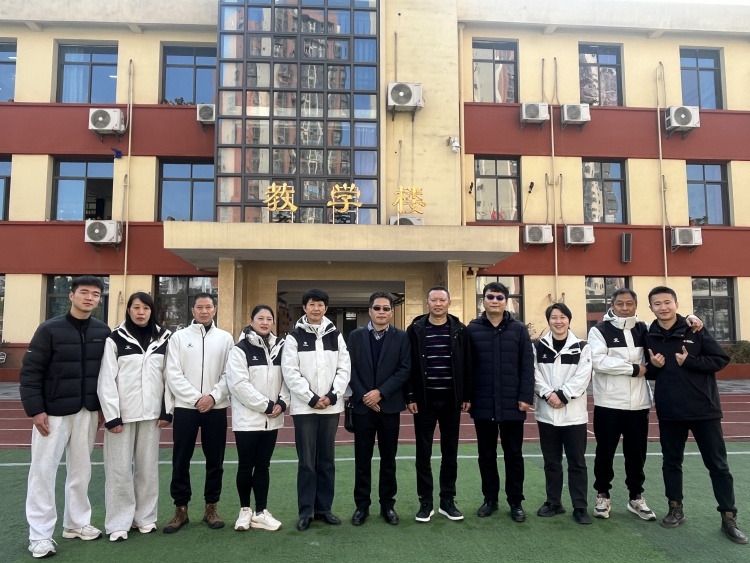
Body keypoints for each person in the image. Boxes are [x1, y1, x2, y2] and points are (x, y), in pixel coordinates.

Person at [589, 288, 703, 521]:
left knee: (636, 455)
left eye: (629, 303)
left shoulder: (645, 328)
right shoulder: (599, 330)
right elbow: (599, 362)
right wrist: (633, 369)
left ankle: (636, 497)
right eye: (620, 303)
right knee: (605, 452)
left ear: (636, 305)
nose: (625, 308)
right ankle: (603, 495)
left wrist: (690, 318)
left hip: (639, 404)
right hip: (608, 402)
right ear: (612, 305)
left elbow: (669, 325)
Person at [645, 286, 747, 544]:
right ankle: (675, 509)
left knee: (718, 465)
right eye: (657, 303)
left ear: (676, 304)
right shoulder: (650, 335)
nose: (663, 307)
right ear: (651, 308)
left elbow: (720, 359)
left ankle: (728, 517)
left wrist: (690, 361)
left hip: (704, 410)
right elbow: (652, 372)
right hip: (670, 411)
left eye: (667, 302)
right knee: (671, 463)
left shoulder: (695, 328)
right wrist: (652, 368)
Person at [20, 275, 111, 558]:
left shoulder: (103, 331)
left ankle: (77, 523)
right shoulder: (49, 329)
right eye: (84, 292)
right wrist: (36, 409)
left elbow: (106, 375)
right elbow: (31, 371)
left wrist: (103, 408)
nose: (89, 298)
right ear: (71, 296)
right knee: (43, 472)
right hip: (53, 414)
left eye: (95, 294)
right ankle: (39, 535)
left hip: (87, 411)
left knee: (82, 471)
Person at [97, 292, 171, 541]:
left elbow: (168, 377)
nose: (141, 312)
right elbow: (106, 379)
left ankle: (145, 518)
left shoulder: (164, 338)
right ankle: (119, 523)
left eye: (145, 308)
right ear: (128, 310)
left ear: (152, 311)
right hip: (123, 416)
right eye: (136, 308)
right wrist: (112, 416)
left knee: (147, 469)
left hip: (152, 415)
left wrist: (166, 410)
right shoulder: (115, 338)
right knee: (118, 470)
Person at [163, 292, 234, 533]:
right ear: (192, 310)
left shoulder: (225, 339)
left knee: (215, 460)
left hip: (216, 408)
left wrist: (213, 397)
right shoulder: (178, 338)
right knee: (181, 459)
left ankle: (211, 507)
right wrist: (196, 399)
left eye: (208, 307)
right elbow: (173, 373)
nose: (204, 311)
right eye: (200, 307)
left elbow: (229, 373)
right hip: (186, 408)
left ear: (215, 310)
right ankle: (180, 509)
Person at [281, 289, 351, 532]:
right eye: (312, 304)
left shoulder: (335, 335)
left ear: (326, 308)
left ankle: (324, 509)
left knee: (327, 461)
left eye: (320, 305)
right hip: (305, 409)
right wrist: (311, 398)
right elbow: (290, 372)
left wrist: (331, 396)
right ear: (304, 308)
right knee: (307, 462)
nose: (316, 309)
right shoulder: (294, 337)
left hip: (330, 408)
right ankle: (306, 511)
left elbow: (344, 368)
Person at [467, 282, 534, 523]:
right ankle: (490, 499)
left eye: (499, 297)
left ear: (506, 301)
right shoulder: (472, 329)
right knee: (486, 455)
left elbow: (527, 365)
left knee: (513, 454)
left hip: (512, 404)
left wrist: (525, 396)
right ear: (483, 300)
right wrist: (467, 397)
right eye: (490, 296)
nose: (494, 301)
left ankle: (516, 501)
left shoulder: (519, 329)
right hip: (483, 403)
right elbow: (467, 367)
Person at [406, 285, 472, 523]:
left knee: (450, 453)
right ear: (428, 303)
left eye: (442, 300)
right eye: (433, 300)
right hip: (424, 401)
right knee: (423, 454)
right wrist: (410, 396)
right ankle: (426, 502)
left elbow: (467, 364)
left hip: (451, 401)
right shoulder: (415, 329)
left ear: (449, 303)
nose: (438, 304)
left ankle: (447, 501)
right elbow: (408, 364)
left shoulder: (460, 330)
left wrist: (466, 395)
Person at [348, 292, 411, 526]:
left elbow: (404, 369)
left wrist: (380, 393)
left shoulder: (401, 337)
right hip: (363, 408)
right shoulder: (355, 336)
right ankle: (362, 506)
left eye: (386, 308)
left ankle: (387, 505)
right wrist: (365, 396)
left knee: (388, 460)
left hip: (389, 407)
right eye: (377, 308)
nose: (381, 312)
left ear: (391, 312)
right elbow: (349, 368)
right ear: (370, 311)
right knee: (362, 460)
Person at [226, 305, 289, 532]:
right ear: (251, 321)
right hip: (247, 420)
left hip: (272, 420)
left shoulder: (281, 347)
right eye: (260, 318)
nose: (265, 322)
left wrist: (282, 402)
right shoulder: (239, 349)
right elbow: (239, 385)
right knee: (245, 466)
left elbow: (288, 378)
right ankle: (245, 511)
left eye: (269, 319)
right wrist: (267, 405)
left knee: (263, 466)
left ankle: (261, 512)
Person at [534, 303, 593, 525]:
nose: (558, 321)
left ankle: (580, 507)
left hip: (574, 416)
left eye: (562, 317)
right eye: (554, 317)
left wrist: (562, 395)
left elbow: (583, 376)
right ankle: (553, 502)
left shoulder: (582, 347)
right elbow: (534, 375)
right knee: (551, 461)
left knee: (577, 463)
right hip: (547, 414)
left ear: (569, 320)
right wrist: (549, 395)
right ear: (548, 320)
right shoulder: (538, 346)